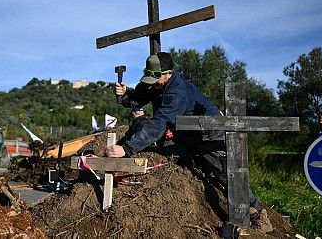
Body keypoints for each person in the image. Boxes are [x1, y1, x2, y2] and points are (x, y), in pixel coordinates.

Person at [105, 51, 273, 233]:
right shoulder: (152, 83)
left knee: (223, 172)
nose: (151, 85)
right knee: (178, 158)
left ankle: (257, 214)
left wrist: (126, 148)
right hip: (185, 134)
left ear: (168, 73)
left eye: (156, 80)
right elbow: (136, 99)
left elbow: (159, 123)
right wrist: (123, 95)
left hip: (209, 134)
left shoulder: (178, 91)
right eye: (149, 79)